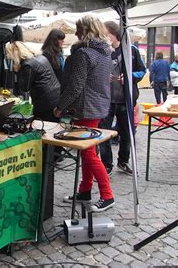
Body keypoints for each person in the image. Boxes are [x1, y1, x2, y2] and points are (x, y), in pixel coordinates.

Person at [53, 14, 115, 212]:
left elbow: (75, 86)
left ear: (86, 30)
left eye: (79, 29)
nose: (76, 32)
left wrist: (60, 107)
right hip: (98, 106)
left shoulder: (84, 54)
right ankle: (85, 190)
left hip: (86, 108)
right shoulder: (105, 52)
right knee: (87, 150)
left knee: (88, 152)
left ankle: (107, 195)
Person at [99, 21, 147, 176]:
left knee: (127, 132)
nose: (105, 37)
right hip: (107, 99)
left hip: (126, 98)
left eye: (107, 34)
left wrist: (130, 77)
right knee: (105, 132)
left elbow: (142, 70)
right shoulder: (103, 51)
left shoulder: (131, 50)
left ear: (114, 33)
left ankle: (123, 161)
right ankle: (107, 164)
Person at [5, 41, 60, 122]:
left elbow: (24, 88)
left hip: (44, 100)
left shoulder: (27, 65)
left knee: (42, 124)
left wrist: (18, 70)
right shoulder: (40, 57)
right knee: (52, 124)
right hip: (55, 96)